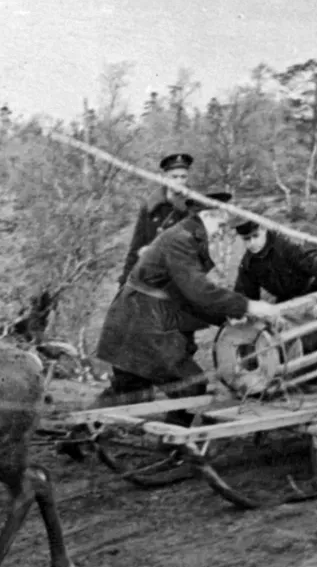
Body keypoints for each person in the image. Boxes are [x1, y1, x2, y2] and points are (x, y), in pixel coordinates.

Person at [96, 193, 284, 420]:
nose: (222, 229)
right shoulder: (181, 241)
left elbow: (187, 295)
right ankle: (176, 446)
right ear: (208, 215)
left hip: (137, 319)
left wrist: (227, 316)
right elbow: (198, 291)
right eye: (221, 222)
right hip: (144, 322)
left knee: (128, 388)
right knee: (189, 385)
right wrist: (249, 306)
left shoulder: (188, 237)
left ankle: (77, 433)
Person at [119, 152, 196, 286]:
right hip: (150, 279)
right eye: (174, 177)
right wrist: (124, 284)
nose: (179, 181)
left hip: (181, 281)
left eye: (183, 177)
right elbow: (135, 248)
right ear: (164, 178)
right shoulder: (150, 207)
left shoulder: (194, 207)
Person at [231, 219, 317, 303]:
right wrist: (239, 310)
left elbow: (314, 256)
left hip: (314, 289)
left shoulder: (286, 242)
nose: (251, 243)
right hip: (287, 301)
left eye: (255, 236)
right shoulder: (248, 264)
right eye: (246, 239)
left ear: (263, 228)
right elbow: (244, 295)